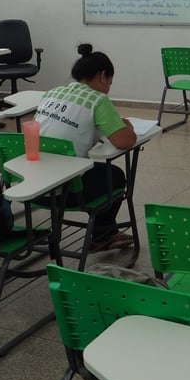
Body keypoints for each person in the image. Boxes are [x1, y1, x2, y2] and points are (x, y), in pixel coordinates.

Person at [35, 43, 137, 252]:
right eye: (110, 82)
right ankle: (102, 235)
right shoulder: (98, 100)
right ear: (102, 76)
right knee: (115, 176)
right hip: (66, 189)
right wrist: (128, 125)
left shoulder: (52, 93)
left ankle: (103, 233)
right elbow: (125, 141)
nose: (109, 88)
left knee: (95, 169)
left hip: (33, 184)